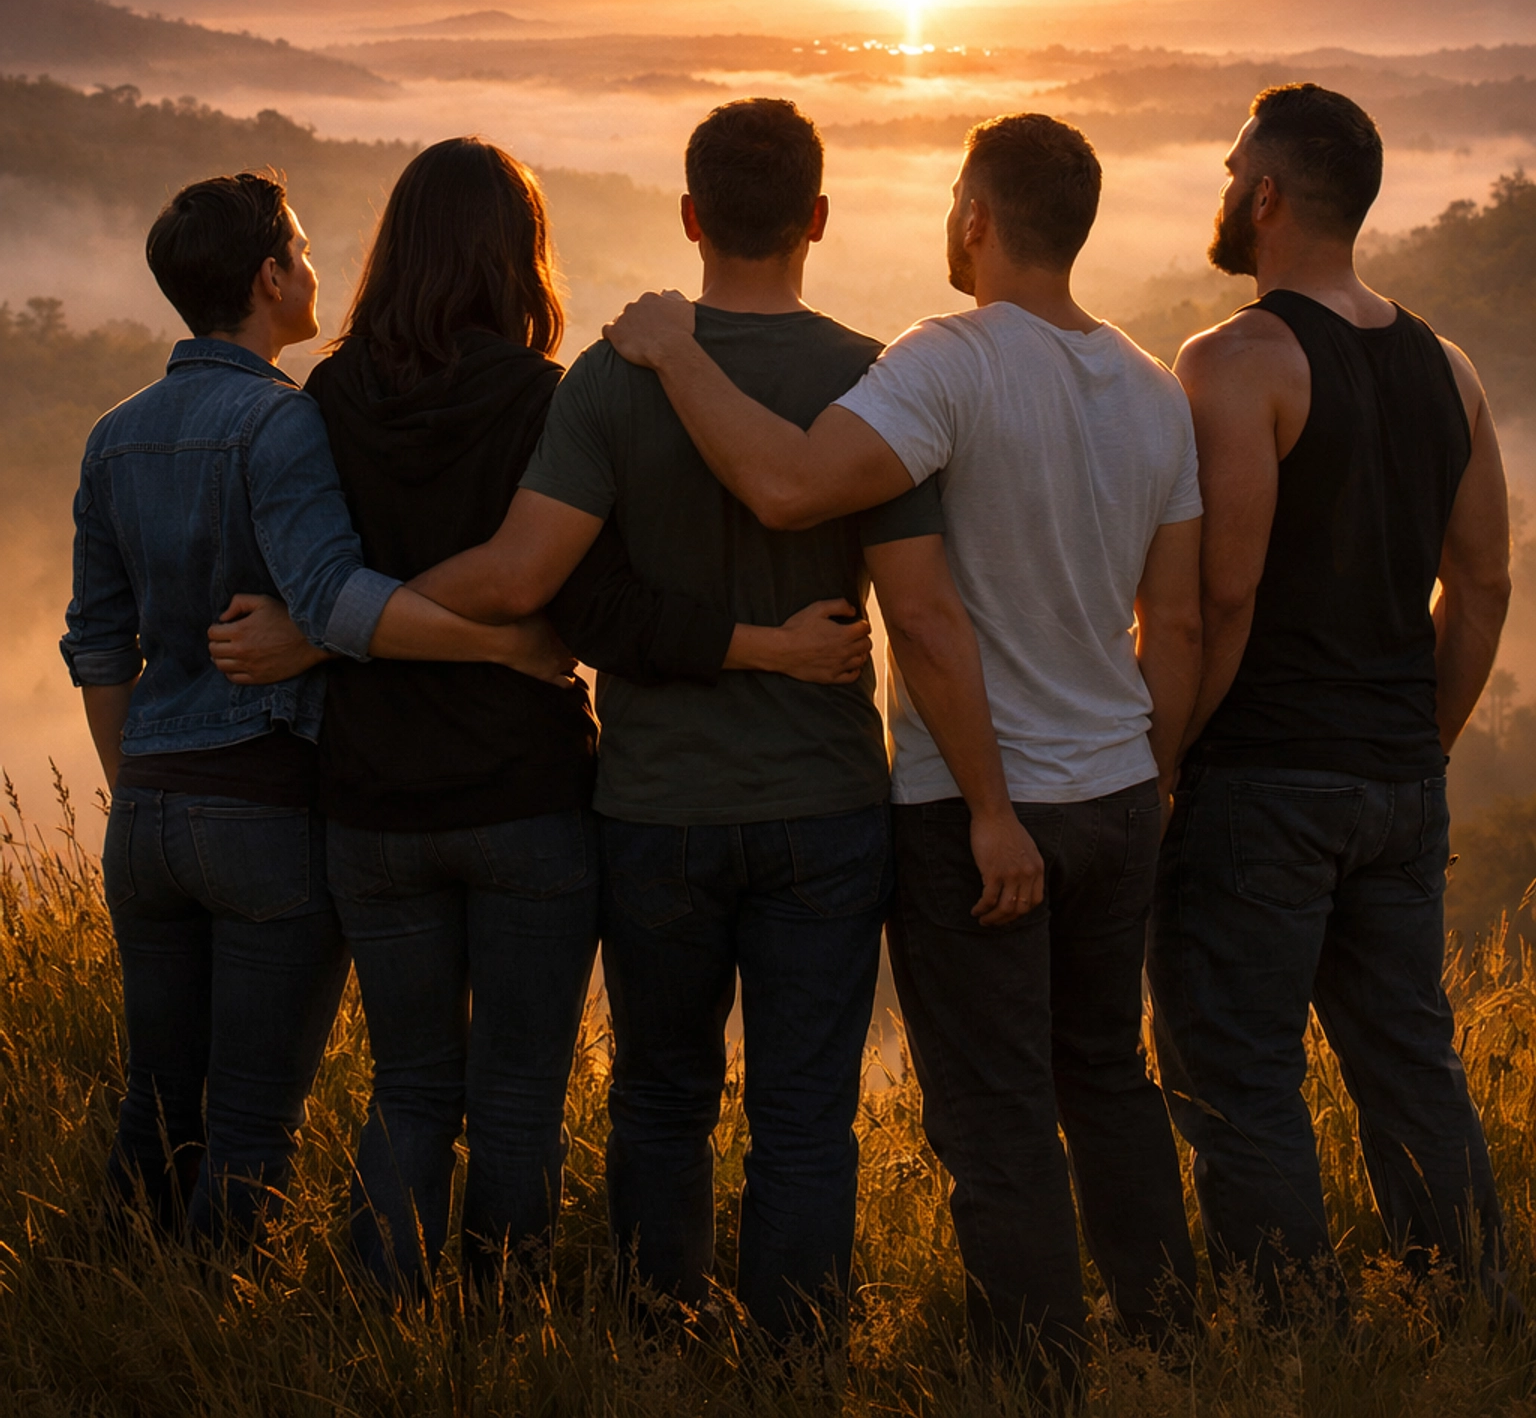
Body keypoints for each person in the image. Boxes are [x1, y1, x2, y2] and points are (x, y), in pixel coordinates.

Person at [215, 99, 1038, 1339]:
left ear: (692, 217)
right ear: (818, 220)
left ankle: (645, 1339)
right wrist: (989, 803)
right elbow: (920, 616)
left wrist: (331, 617)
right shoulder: (878, 379)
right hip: (818, 806)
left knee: (654, 1099)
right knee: (802, 1115)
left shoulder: (606, 381)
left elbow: (525, 573)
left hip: (648, 809)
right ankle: (791, 1358)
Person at [603, 111, 1204, 1370]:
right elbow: (1183, 616)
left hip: (981, 808)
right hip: (1117, 790)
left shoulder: (948, 361)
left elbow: (792, 491)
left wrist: (675, 354)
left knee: (994, 1117)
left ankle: (1034, 1376)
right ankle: (1172, 1334)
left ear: (977, 220)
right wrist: (1153, 776)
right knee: (1105, 1075)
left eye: (951, 201)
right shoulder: (1155, 390)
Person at [61, 171, 566, 1248]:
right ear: (271, 276)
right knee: (250, 1117)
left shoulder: (115, 435)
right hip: (263, 805)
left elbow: (100, 645)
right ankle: (214, 1326)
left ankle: (116, 1293)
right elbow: (333, 596)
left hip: (146, 809)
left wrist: (133, 787)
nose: (317, 267)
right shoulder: (281, 425)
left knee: (152, 1101)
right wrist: (499, 641)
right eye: (301, 248)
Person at [1148, 82, 1512, 1314]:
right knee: (1411, 1063)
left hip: (1260, 780)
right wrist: (1423, 740)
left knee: (1237, 1075)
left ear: (1265, 196)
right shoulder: (1451, 368)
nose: (1223, 183)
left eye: (1231, 163)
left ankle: (1288, 1334)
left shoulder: (1236, 360)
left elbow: (1222, 600)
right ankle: (1473, 1313)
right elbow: (1487, 583)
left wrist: (1163, 761)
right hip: (1399, 784)